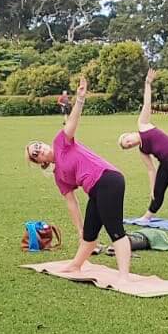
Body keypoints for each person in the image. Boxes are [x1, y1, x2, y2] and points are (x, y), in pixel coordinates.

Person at [26, 77, 132, 277]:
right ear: (40, 162)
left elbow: (72, 123)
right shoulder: (59, 176)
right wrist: (79, 228)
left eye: (38, 146)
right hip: (96, 190)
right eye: (35, 153)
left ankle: (124, 275)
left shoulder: (60, 142)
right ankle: (76, 265)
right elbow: (71, 202)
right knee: (89, 233)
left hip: (108, 179)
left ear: (45, 144)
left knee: (115, 230)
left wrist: (80, 99)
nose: (40, 150)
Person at [118, 69, 168, 229]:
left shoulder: (143, 125)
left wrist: (147, 83)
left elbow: (147, 104)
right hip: (165, 162)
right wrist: (152, 189)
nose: (129, 144)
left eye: (127, 140)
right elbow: (151, 170)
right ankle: (147, 217)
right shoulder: (142, 150)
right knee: (158, 191)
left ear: (130, 134)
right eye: (127, 146)